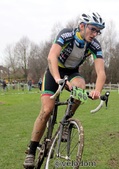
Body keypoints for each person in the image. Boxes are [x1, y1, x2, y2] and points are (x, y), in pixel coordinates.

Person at [23, 11, 106, 168]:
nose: (95, 34)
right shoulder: (67, 34)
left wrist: (97, 90)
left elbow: (101, 71)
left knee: (81, 87)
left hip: (72, 73)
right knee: (47, 110)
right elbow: (52, 56)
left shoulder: (94, 45)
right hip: (54, 71)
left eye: (98, 31)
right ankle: (31, 151)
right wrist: (56, 78)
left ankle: (67, 121)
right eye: (93, 29)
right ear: (82, 25)